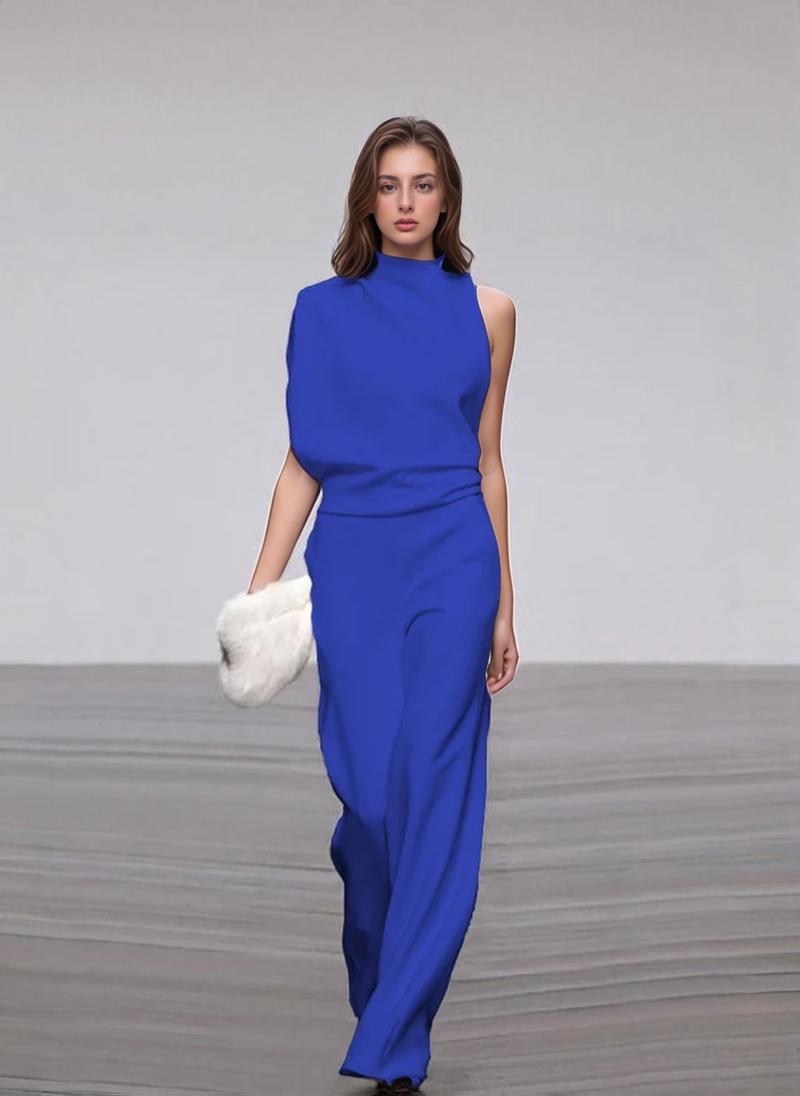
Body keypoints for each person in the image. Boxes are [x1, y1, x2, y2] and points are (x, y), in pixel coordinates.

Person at [247, 116, 519, 1095]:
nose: (406, 201)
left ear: (447, 199)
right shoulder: (319, 312)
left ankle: (394, 1042)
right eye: (390, 184)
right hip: (356, 561)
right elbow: (302, 460)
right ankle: (382, 977)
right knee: (369, 804)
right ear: (367, 198)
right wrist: (260, 587)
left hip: (453, 560)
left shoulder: (489, 310)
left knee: (434, 787)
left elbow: (488, 460)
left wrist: (504, 603)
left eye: (424, 183)